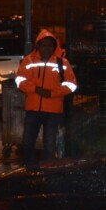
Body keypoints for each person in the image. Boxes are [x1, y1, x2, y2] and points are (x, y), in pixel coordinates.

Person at [15, 29, 77, 167]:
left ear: (54, 47)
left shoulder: (62, 63)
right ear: (38, 46)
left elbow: (71, 85)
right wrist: (35, 89)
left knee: (49, 145)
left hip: (53, 111)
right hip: (33, 109)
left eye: (50, 45)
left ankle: (47, 174)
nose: (46, 48)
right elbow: (19, 80)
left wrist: (51, 93)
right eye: (44, 45)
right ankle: (29, 170)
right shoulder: (28, 60)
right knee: (27, 143)